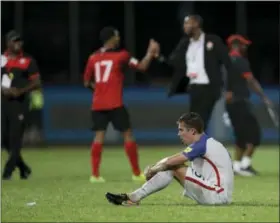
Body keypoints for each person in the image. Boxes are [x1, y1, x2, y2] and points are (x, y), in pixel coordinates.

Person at [105, 112, 234, 206]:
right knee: (171, 165)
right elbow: (173, 159)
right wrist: (158, 167)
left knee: (172, 165)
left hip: (216, 195)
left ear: (193, 131)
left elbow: (172, 161)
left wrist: (153, 170)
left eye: (181, 130)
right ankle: (134, 197)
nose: (179, 134)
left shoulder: (201, 144)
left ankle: (134, 197)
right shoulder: (206, 143)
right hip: (218, 194)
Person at [83, 26, 160, 183]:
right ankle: (136, 173)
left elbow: (86, 82)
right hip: (115, 103)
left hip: (98, 104)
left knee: (98, 138)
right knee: (128, 135)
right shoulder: (122, 55)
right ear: (111, 38)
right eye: (117, 36)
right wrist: (150, 53)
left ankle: (95, 175)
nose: (119, 38)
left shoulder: (93, 57)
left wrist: (99, 91)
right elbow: (142, 67)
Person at [156, 15, 235, 131]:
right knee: (195, 124)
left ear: (196, 24)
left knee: (199, 122)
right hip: (193, 88)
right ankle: (201, 148)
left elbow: (228, 64)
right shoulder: (185, 43)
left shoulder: (213, 40)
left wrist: (230, 88)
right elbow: (173, 63)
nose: (184, 27)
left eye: (187, 23)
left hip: (210, 88)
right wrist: (158, 56)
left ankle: (197, 147)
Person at [225, 34, 272, 176]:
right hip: (240, 102)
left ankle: (238, 166)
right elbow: (251, 80)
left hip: (232, 104)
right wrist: (263, 96)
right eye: (243, 44)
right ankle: (244, 165)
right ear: (235, 45)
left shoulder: (226, 61)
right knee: (254, 135)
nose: (245, 47)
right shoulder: (240, 61)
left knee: (241, 136)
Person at [1, 30, 41, 180]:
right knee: (4, 139)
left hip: (21, 104)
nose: (18, 44)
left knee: (15, 138)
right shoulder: (2, 60)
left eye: (19, 41)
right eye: (14, 41)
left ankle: (7, 172)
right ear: (8, 43)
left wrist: (20, 91)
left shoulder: (28, 60)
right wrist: (3, 90)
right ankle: (24, 168)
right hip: (4, 103)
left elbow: (36, 82)